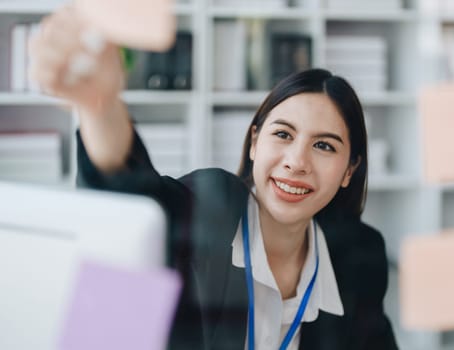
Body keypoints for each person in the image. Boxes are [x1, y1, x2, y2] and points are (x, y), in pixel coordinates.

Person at [29, 6, 398, 350]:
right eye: (283, 135)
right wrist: (100, 106)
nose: (297, 162)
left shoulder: (359, 256)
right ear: (255, 142)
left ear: (350, 170)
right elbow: (129, 190)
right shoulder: (210, 204)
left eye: (324, 146)